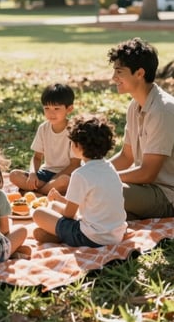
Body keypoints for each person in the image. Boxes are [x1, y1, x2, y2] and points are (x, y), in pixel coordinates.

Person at [32, 115, 127, 247]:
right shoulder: (109, 167)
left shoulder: (80, 174)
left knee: (39, 213)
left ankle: (58, 236)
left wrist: (61, 204)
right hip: (115, 234)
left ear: (77, 145)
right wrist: (60, 199)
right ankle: (55, 235)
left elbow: (69, 214)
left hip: (91, 237)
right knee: (54, 206)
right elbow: (90, 204)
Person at [107, 37, 174, 219]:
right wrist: (96, 169)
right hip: (144, 189)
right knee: (96, 191)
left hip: (166, 195)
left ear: (139, 73)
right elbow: (126, 156)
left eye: (119, 72)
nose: (114, 78)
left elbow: (147, 173)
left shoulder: (163, 110)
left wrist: (102, 178)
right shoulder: (134, 106)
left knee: (102, 190)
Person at [9, 83, 80, 195]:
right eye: (47, 108)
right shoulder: (43, 128)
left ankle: (38, 191)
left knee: (65, 181)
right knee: (14, 175)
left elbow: (75, 164)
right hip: (45, 173)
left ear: (69, 109)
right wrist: (33, 174)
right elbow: (37, 157)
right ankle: (46, 191)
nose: (51, 113)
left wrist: (54, 180)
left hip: (65, 174)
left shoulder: (74, 130)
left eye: (56, 108)